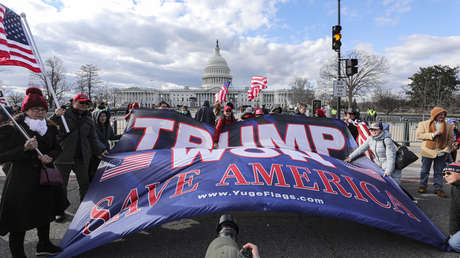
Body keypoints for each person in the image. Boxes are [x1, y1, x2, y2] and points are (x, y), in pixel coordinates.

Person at [0, 87, 68, 257]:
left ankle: (43, 244)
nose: (39, 112)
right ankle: (18, 254)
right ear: (26, 110)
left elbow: (56, 148)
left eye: (43, 109)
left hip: (44, 178)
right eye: (35, 109)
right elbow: (2, 155)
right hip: (21, 181)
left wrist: (50, 157)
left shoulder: (50, 127)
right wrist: (24, 148)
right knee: (19, 219)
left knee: (45, 213)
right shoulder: (14, 128)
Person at [52, 94, 107, 217]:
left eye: (86, 103)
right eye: (81, 102)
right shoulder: (63, 114)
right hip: (63, 155)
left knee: (84, 183)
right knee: (61, 185)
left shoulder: (89, 119)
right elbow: (49, 127)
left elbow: (93, 138)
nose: (84, 105)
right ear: (73, 103)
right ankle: (60, 210)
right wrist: (56, 116)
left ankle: (84, 209)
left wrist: (100, 150)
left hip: (82, 156)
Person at [416, 107, 454, 197]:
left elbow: (451, 139)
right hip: (427, 151)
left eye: (443, 115)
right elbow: (419, 135)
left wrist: (446, 150)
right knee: (425, 170)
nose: (442, 116)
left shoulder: (448, 126)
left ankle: (438, 188)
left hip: (442, 152)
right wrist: (433, 134)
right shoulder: (423, 124)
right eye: (440, 114)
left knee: (439, 171)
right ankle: (422, 186)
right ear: (434, 115)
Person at [88, 110, 121, 181]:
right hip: (95, 153)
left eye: (104, 116)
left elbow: (112, 137)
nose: (103, 118)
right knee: (94, 172)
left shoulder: (108, 126)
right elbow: (94, 140)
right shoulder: (92, 127)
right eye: (100, 116)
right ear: (96, 117)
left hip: (106, 151)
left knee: (104, 171)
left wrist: (122, 136)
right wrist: (100, 150)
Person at [442, 163, 460, 252]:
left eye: (449, 173)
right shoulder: (455, 187)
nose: (445, 176)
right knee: (452, 241)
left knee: (455, 244)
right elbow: (455, 211)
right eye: (444, 174)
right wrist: (452, 233)